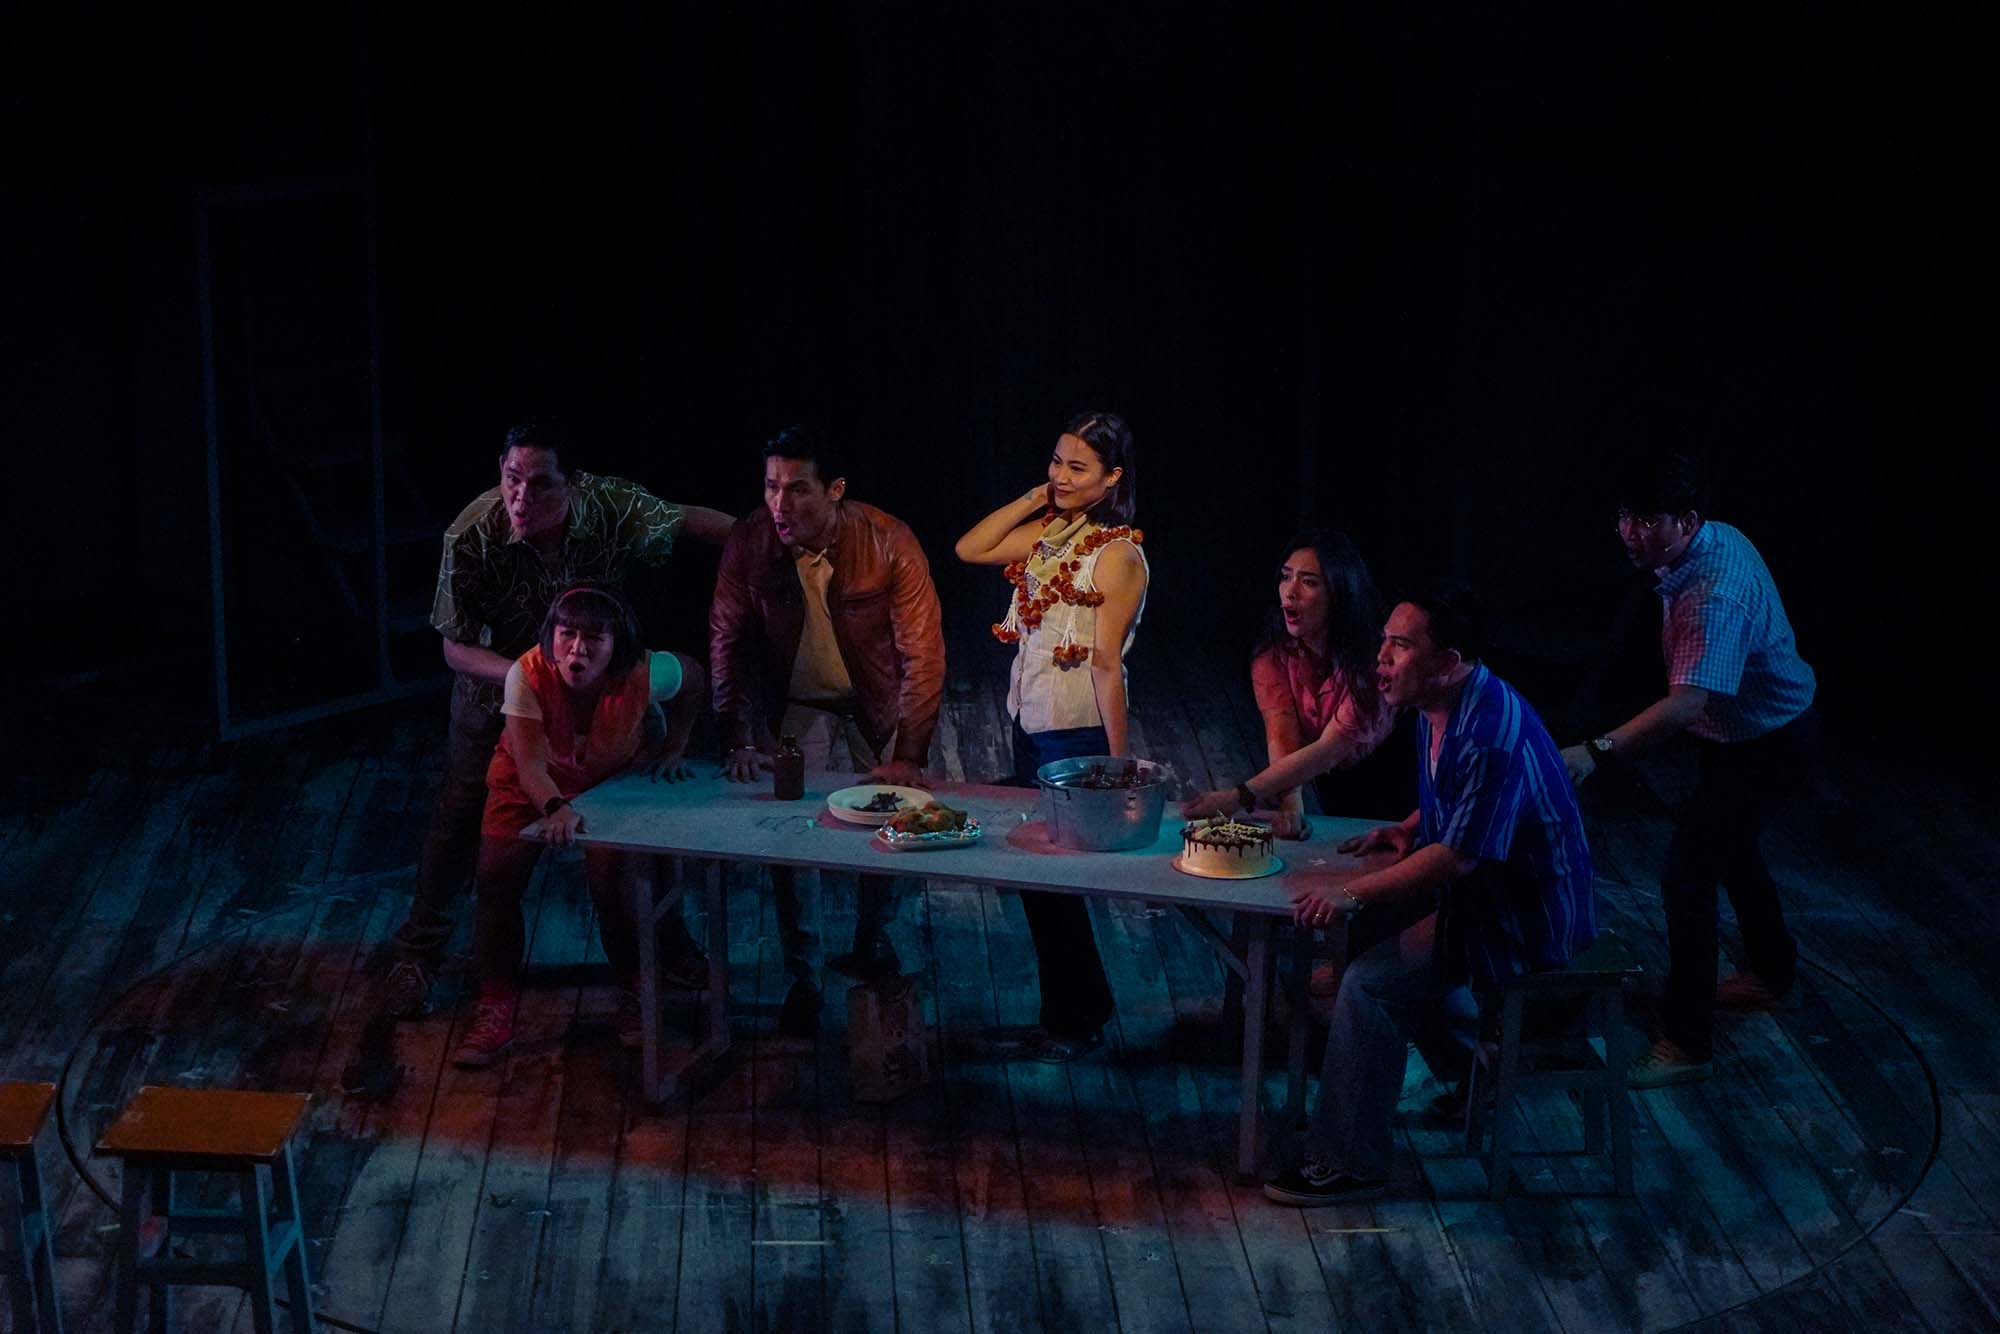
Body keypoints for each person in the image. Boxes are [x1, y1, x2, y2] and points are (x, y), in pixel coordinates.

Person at [383, 418, 733, 1019]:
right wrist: (530, 679)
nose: (521, 498)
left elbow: (687, 519)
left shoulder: (606, 506)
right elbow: (455, 648)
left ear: (573, 483)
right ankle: (419, 954)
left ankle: (667, 945)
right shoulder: (472, 534)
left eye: (541, 484)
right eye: (511, 479)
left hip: (600, 696)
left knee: (635, 822)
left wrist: (767, 547)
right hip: (497, 692)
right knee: (462, 815)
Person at [1263, 582, 1595, 1206]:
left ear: (1446, 663)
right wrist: (1410, 826)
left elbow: (1459, 857)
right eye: (1384, 641)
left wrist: (1353, 892)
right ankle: (1468, 1075)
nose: (1381, 657)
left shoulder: (1490, 734)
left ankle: (1351, 1162)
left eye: (1401, 645)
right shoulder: (1440, 705)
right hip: (1475, 898)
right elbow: (1455, 804)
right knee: (1368, 936)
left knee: (1370, 983)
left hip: (1518, 919)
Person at [1561, 449, 1818, 1089]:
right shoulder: (1705, 546)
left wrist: (1595, 751)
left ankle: (1688, 1040)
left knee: (1687, 876)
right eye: (1625, 516)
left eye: (1648, 520)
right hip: (1745, 735)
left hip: (1768, 742)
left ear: (1688, 520)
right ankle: (1773, 976)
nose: (1630, 532)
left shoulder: (1714, 593)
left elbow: (1684, 706)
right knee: (1732, 851)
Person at [710, 426, 946, 1035]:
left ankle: (875, 939)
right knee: (791, 835)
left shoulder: (887, 540)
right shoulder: (750, 541)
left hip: (875, 701)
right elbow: (728, 639)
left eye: (797, 489)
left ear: (835, 490)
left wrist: (910, 751)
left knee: (896, 822)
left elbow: (923, 653)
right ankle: (805, 978)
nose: (780, 504)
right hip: (797, 701)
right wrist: (737, 734)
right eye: (771, 487)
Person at [954, 410, 1146, 1062]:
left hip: (1076, 732)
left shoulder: (1117, 556)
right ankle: (1074, 1010)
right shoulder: (1051, 535)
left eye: (1077, 468)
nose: (1061, 475)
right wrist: (1037, 496)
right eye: (1057, 461)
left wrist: (1119, 768)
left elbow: (1107, 664)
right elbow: (970, 548)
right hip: (1031, 721)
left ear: (1112, 477)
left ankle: (1076, 1018)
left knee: (1053, 882)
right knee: (1037, 881)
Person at [452, 586, 706, 1067]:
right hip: (528, 781)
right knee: (495, 882)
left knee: (615, 889)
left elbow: (693, 677)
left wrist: (675, 746)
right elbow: (530, 765)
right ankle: (495, 1005)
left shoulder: (644, 672)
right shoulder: (526, 673)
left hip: (607, 781)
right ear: (551, 636)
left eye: (594, 638)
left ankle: (632, 992)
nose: (577, 649)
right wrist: (555, 807)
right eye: (567, 635)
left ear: (616, 644)